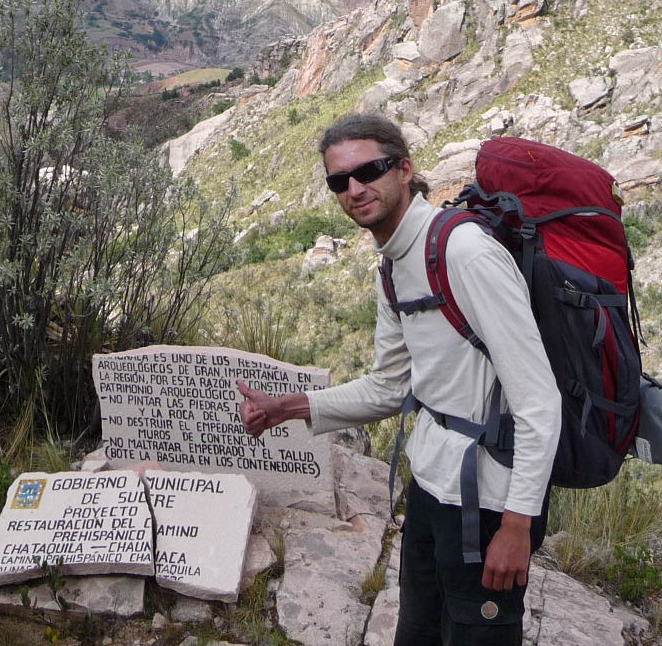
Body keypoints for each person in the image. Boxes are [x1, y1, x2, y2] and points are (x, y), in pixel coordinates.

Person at [238, 113, 561, 645]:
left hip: (488, 503)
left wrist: (517, 524)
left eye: (370, 170)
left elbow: (539, 401)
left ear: (405, 169)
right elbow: (390, 386)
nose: (355, 189)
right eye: (339, 181)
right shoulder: (392, 265)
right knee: (416, 633)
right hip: (432, 486)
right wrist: (287, 408)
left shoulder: (466, 253)